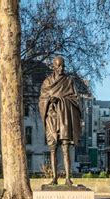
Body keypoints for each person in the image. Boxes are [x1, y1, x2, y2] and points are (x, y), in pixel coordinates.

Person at [38, 56, 81, 185]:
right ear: (54, 67)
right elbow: (41, 100)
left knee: (65, 149)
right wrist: (48, 101)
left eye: (63, 65)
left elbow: (76, 99)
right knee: (52, 149)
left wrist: (62, 100)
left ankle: (68, 178)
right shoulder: (47, 82)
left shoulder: (69, 81)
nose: (61, 68)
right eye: (59, 66)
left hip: (65, 118)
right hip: (51, 117)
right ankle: (54, 178)